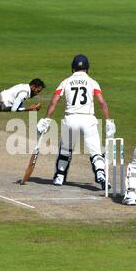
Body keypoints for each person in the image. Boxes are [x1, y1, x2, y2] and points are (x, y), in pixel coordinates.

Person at [36, 54, 116, 189]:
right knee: (95, 151)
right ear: (87, 68)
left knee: (66, 150)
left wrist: (46, 120)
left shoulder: (65, 82)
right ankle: (101, 174)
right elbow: (102, 103)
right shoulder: (92, 82)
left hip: (70, 119)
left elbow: (54, 101)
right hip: (88, 119)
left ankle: (59, 176)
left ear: (72, 67)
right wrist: (108, 121)